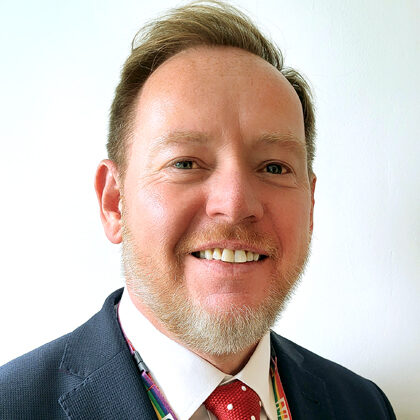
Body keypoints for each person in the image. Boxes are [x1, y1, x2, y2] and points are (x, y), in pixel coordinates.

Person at [0, 1, 396, 419]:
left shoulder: (363, 405)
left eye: (274, 167)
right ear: (114, 202)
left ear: (311, 206)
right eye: (185, 163)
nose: (236, 203)